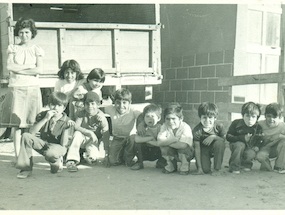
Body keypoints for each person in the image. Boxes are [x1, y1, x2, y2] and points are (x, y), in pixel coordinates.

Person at [0, 18, 44, 160]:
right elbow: (10, 67)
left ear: (32, 33)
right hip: (16, 89)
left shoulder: (37, 49)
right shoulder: (13, 48)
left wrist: (19, 71)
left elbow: (40, 69)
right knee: (16, 125)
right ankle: (18, 156)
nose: (24, 35)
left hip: (32, 89)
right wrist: (30, 69)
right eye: (21, 32)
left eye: (27, 32)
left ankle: (27, 156)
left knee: (30, 125)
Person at [15, 92, 71, 179]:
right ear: (49, 105)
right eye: (53, 105)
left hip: (58, 147)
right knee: (26, 136)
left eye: (59, 105)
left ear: (64, 108)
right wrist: (45, 119)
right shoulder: (43, 115)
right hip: (44, 143)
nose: (55, 108)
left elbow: (64, 145)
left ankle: (56, 162)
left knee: (51, 154)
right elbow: (32, 133)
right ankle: (25, 168)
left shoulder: (67, 121)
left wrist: (66, 129)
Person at [65, 91, 110, 172]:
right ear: (84, 104)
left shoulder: (101, 116)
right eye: (87, 104)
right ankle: (72, 160)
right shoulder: (81, 113)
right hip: (82, 137)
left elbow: (105, 134)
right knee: (77, 134)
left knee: (93, 160)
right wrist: (89, 132)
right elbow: (76, 126)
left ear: (98, 104)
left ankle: (88, 156)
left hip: (93, 140)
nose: (90, 106)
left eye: (93, 104)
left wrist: (106, 154)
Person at [103, 88, 141, 166]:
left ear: (129, 103)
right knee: (113, 161)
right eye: (118, 102)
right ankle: (121, 156)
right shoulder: (111, 109)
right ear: (114, 102)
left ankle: (128, 158)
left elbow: (142, 116)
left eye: (124, 103)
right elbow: (99, 110)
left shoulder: (133, 111)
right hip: (117, 138)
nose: (121, 106)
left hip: (129, 138)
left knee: (133, 139)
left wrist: (141, 126)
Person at [157, 102, 194, 175]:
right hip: (174, 151)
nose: (170, 122)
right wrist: (173, 140)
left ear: (181, 118)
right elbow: (159, 142)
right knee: (164, 148)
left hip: (187, 153)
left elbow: (183, 145)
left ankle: (184, 166)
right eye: (168, 119)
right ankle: (171, 166)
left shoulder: (185, 127)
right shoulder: (164, 126)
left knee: (183, 148)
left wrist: (167, 142)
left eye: (173, 119)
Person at [226, 102, 263, 174]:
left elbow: (260, 139)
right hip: (236, 145)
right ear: (243, 116)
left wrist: (257, 146)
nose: (250, 119)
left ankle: (246, 164)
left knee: (251, 152)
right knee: (240, 145)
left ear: (257, 118)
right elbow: (228, 136)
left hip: (249, 147)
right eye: (247, 116)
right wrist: (242, 138)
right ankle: (234, 166)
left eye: (253, 117)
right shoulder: (236, 123)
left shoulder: (258, 127)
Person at [192, 102, 226, 175]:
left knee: (220, 143)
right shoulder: (197, 130)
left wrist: (214, 137)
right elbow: (197, 149)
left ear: (215, 118)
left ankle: (217, 169)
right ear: (200, 117)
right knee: (205, 170)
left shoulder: (219, 126)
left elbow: (223, 141)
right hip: (203, 150)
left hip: (215, 148)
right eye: (204, 117)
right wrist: (199, 168)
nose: (207, 121)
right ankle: (205, 165)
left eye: (210, 117)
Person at [131, 103, 166, 170]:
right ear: (143, 118)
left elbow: (161, 141)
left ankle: (162, 161)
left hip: (157, 151)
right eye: (147, 116)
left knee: (165, 145)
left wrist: (146, 140)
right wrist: (151, 138)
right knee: (137, 144)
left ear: (158, 118)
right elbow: (137, 139)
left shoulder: (160, 128)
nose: (150, 119)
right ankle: (140, 162)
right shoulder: (143, 128)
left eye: (152, 116)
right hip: (146, 151)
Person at [256, 103, 285, 174]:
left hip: (278, 149)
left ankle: (279, 166)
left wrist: (280, 136)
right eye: (269, 116)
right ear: (265, 116)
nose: (271, 119)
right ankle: (266, 165)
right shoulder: (260, 124)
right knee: (260, 156)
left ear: (280, 117)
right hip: (265, 148)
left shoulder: (282, 126)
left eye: (274, 117)